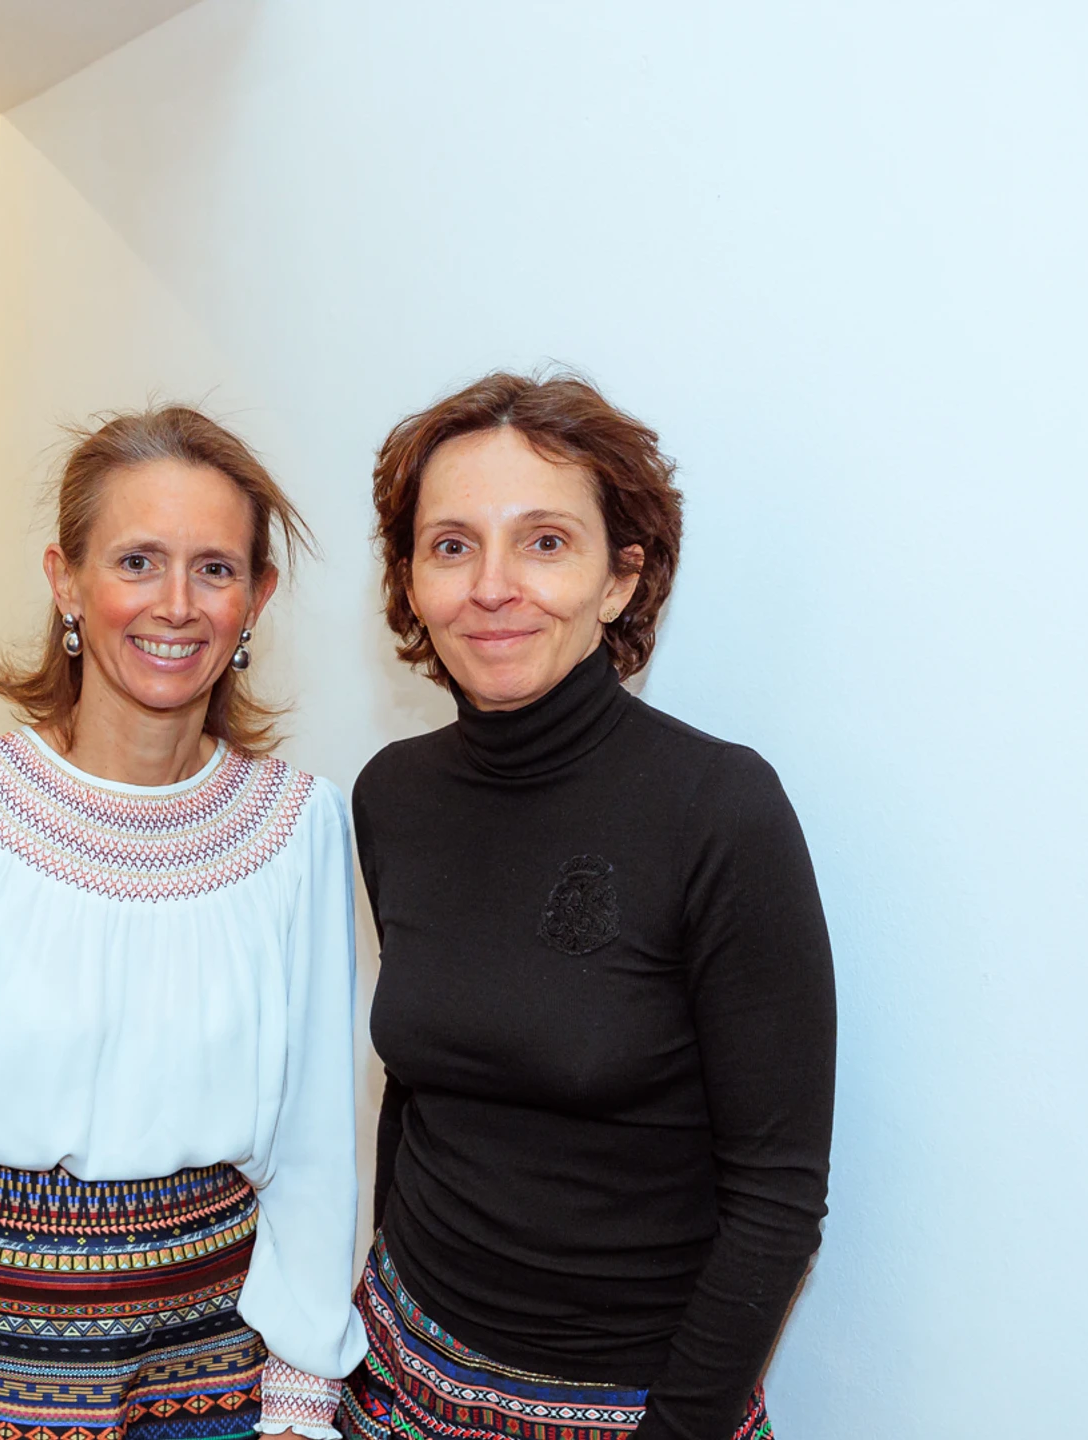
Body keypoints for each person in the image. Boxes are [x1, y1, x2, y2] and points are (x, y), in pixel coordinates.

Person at [0, 407, 366, 1439]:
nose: (175, 605)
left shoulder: (301, 826)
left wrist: (301, 1396)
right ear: (65, 581)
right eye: (137, 561)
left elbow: (315, 1138)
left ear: (256, 598)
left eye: (214, 569)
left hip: (209, 1369)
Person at [347, 373, 835, 1440]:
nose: (492, 586)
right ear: (411, 582)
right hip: (394, 1373)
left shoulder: (720, 810)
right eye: (451, 545)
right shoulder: (390, 796)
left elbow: (778, 1198)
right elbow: (419, 1090)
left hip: (624, 1409)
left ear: (620, 580)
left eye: (544, 542)